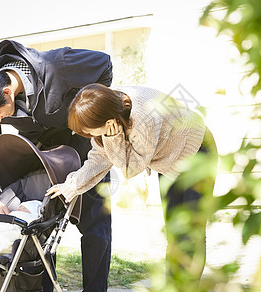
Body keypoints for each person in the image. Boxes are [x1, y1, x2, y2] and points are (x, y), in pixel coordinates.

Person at [0, 40, 113, 292]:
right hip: (44, 159)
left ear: (7, 93)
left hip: (85, 149)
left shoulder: (56, 66)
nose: (0, 120)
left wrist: (88, 116)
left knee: (95, 229)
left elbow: (104, 64)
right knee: (40, 232)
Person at [46, 83, 218, 288]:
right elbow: (98, 160)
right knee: (175, 233)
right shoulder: (109, 108)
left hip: (197, 153)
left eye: (88, 131)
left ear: (108, 122)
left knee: (191, 233)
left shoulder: (142, 120)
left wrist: (114, 138)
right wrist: (70, 186)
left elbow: (131, 169)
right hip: (170, 161)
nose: (88, 136)